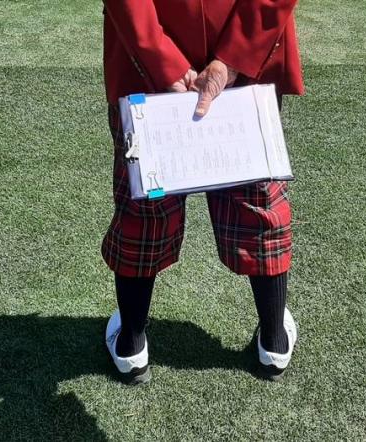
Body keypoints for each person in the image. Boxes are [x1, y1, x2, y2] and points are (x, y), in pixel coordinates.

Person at [100, 0, 304, 384]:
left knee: (146, 204)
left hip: (148, 55)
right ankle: (273, 341)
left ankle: (131, 344)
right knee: (257, 197)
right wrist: (233, 58)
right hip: (249, 56)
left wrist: (161, 59)